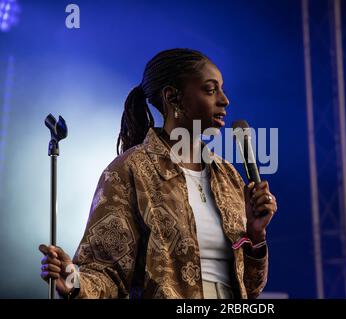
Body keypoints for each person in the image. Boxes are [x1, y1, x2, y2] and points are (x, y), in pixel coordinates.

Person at [38, 48, 278, 299]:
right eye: (210, 89)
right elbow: (107, 273)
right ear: (172, 97)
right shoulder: (130, 170)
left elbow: (250, 289)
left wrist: (256, 233)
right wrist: (74, 281)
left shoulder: (228, 176)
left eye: (222, 89)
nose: (224, 100)